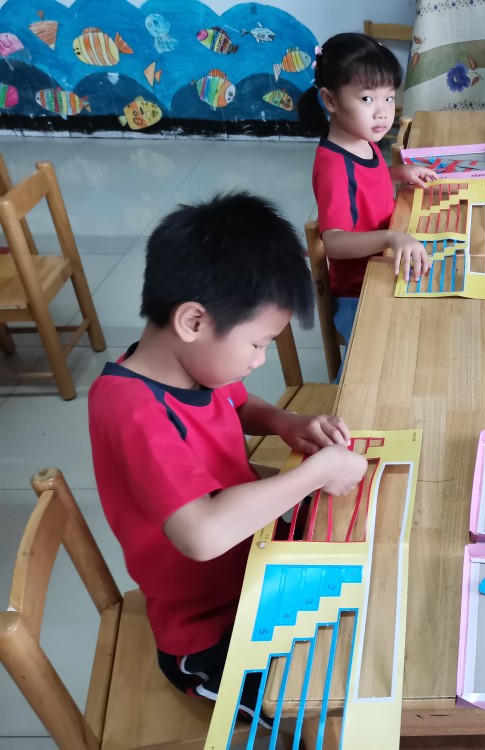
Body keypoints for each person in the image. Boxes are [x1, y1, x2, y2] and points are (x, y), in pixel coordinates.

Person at [88, 192, 369, 723]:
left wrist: (286, 422)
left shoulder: (189, 364)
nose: (260, 360)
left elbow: (237, 404)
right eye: (258, 344)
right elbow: (201, 534)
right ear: (194, 321)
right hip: (209, 631)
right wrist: (316, 474)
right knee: (318, 705)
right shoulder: (131, 410)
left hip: (256, 568)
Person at [298, 33, 437, 359]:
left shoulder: (361, 140)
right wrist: (391, 237)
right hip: (359, 292)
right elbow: (334, 241)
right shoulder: (334, 166)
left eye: (388, 98)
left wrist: (397, 173)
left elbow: (363, 183)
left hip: (385, 264)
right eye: (366, 99)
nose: (382, 112)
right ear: (330, 100)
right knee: (382, 363)